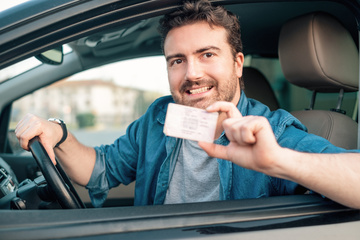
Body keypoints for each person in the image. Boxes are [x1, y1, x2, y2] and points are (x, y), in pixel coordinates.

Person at [15, 0, 360, 208]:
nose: (191, 74)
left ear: (238, 64)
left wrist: (277, 160)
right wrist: (58, 133)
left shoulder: (273, 131)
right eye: (177, 60)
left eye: (207, 54)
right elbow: (100, 168)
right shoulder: (159, 118)